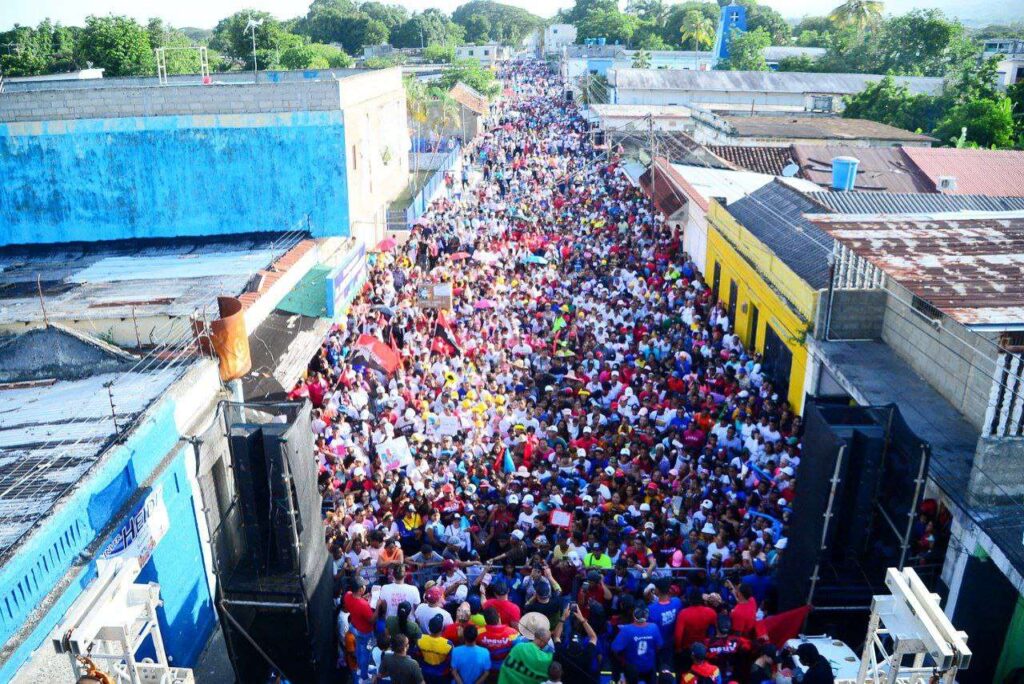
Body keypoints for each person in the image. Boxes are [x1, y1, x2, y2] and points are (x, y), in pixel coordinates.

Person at [611, 604, 662, 684]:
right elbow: (659, 646)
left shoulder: (626, 630)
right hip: (648, 666)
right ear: (646, 617)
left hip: (632, 668)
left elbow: (615, 649)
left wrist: (623, 661)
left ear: (634, 616)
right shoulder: (654, 627)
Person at [498, 619, 553, 684]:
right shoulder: (545, 658)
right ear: (541, 641)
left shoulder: (518, 647)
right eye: (546, 642)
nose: (546, 644)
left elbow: (506, 666)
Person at [345, 577, 376, 684]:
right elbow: (372, 620)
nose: (365, 587)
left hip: (354, 627)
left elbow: (354, 600)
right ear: (361, 590)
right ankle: (364, 674)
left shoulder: (347, 595)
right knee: (366, 652)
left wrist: (364, 598)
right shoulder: (363, 605)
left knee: (359, 647)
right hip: (365, 632)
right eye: (363, 586)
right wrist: (378, 605)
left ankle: (360, 665)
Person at [479, 606, 520, 680]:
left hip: (486, 670)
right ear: (498, 615)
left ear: (485, 620)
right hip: (505, 670)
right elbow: (518, 651)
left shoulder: (478, 632)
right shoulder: (513, 633)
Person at [417, 613, 453, 684]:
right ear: (441, 629)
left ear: (429, 627)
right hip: (441, 673)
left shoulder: (420, 639)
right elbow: (450, 661)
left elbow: (418, 656)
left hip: (425, 671)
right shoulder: (448, 644)